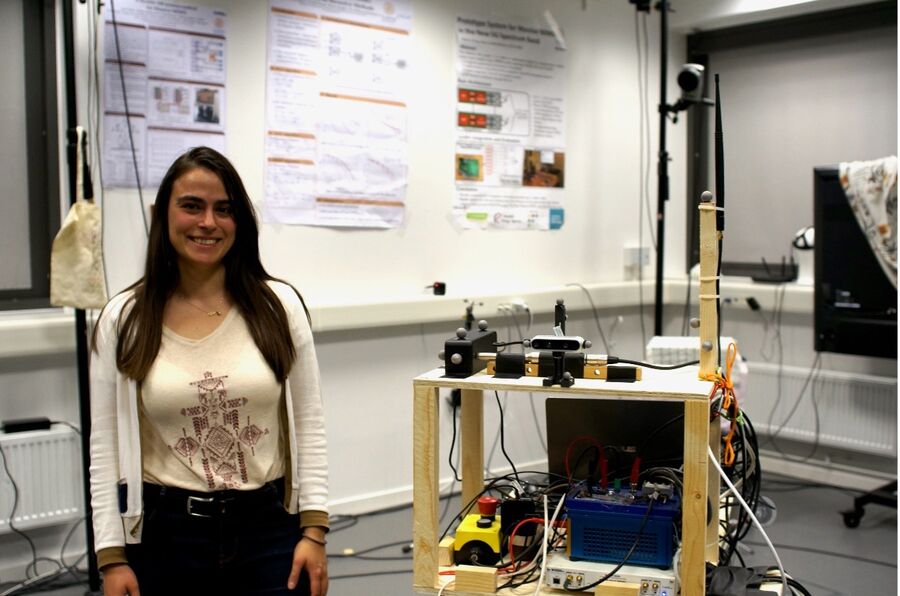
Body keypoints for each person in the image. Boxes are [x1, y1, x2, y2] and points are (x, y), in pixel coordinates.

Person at [89, 146, 329, 595]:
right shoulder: (124, 318)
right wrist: (112, 558)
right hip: (165, 538)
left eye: (224, 209)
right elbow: (104, 447)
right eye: (192, 206)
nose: (208, 223)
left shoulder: (279, 307)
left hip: (270, 530)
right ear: (163, 216)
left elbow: (310, 424)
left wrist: (314, 530)